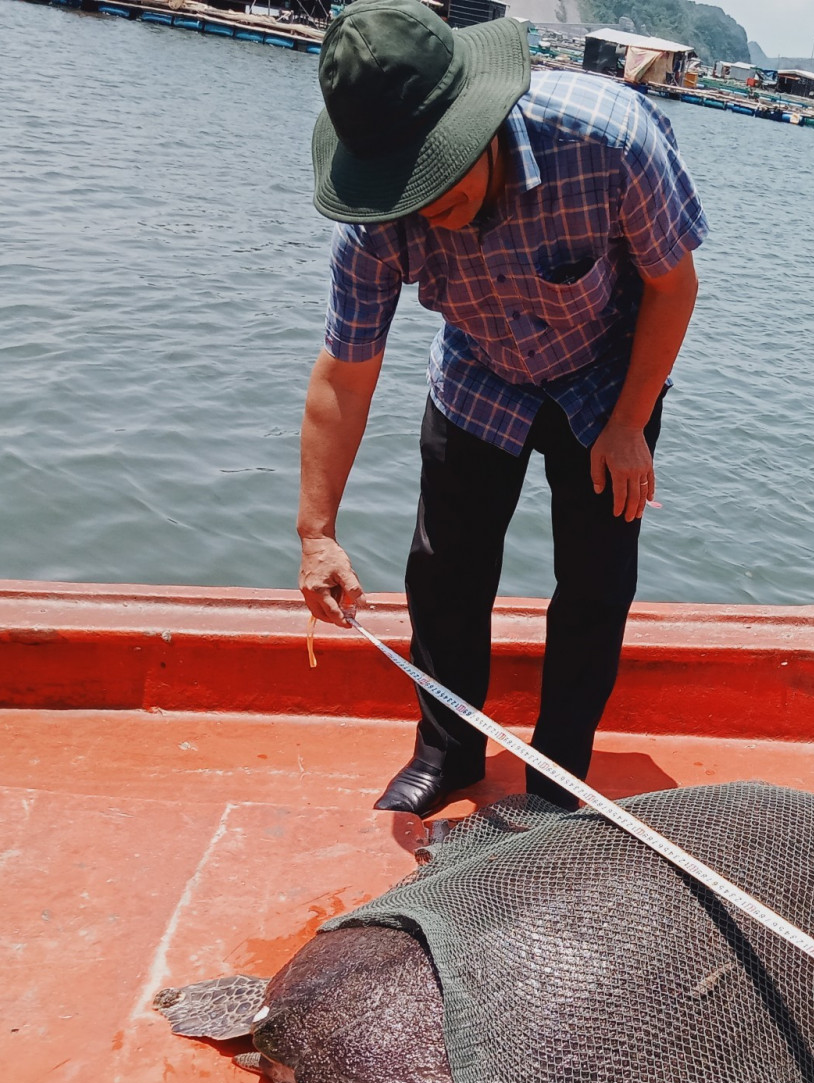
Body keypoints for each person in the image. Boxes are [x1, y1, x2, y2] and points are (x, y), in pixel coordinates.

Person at [296, 0, 706, 815]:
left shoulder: (609, 140)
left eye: (437, 185)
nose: (422, 215)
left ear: (478, 125)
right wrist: (316, 533)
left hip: (607, 375)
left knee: (594, 579)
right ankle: (448, 752)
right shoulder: (377, 223)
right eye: (401, 197)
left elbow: (672, 286)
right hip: (479, 366)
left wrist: (629, 426)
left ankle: (558, 773)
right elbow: (346, 373)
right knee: (445, 569)